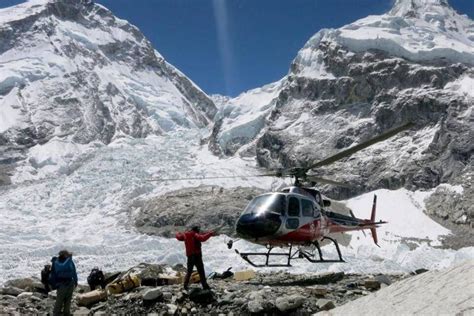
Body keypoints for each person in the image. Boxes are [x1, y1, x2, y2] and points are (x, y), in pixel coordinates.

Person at [175, 226, 214, 291]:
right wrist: (210, 233)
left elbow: (179, 237)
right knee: (201, 271)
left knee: (189, 271)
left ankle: (185, 285)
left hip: (190, 256)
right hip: (197, 256)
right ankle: (205, 286)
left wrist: (177, 233)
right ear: (197, 230)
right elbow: (202, 238)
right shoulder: (195, 234)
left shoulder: (185, 234)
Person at [49, 250, 78, 316]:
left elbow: (74, 271)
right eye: (66, 254)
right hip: (61, 284)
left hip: (70, 282)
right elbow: (62, 266)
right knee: (59, 300)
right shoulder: (57, 262)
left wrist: (76, 281)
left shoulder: (69, 261)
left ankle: (66, 313)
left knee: (68, 300)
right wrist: (69, 259)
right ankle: (56, 313)